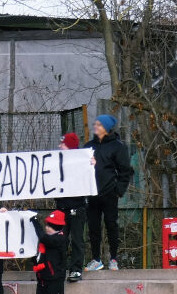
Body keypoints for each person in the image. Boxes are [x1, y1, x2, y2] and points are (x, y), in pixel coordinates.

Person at [84, 115, 134, 271]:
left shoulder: (118, 147)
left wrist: (118, 190)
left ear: (106, 128)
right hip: (92, 193)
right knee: (93, 228)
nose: (95, 126)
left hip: (109, 193)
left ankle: (113, 258)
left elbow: (125, 171)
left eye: (99, 124)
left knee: (112, 225)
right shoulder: (88, 146)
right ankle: (96, 259)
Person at [57, 132, 87, 281]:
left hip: (76, 207)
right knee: (60, 240)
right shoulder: (56, 162)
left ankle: (76, 269)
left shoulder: (82, 163)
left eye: (62, 144)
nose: (59, 146)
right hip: (61, 208)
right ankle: (60, 268)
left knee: (76, 240)